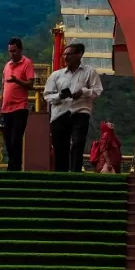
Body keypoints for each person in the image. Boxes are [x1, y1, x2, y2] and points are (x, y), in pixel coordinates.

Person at [46, 42, 104, 172]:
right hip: (60, 113)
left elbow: (97, 90)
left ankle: (75, 172)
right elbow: (47, 96)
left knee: (78, 142)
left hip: (80, 111)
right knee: (60, 147)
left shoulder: (89, 72)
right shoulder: (56, 75)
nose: (66, 57)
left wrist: (83, 92)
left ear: (79, 54)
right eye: (64, 54)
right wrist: (60, 95)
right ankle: (61, 176)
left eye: (69, 54)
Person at [0, 37, 37, 171]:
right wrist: (0, 106)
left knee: (16, 139)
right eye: (10, 51)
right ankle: (13, 165)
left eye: (14, 51)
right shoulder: (7, 66)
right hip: (6, 109)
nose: (12, 54)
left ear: (20, 50)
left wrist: (17, 81)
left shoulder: (27, 63)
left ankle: (14, 169)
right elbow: (3, 88)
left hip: (20, 108)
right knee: (8, 140)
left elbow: (30, 84)